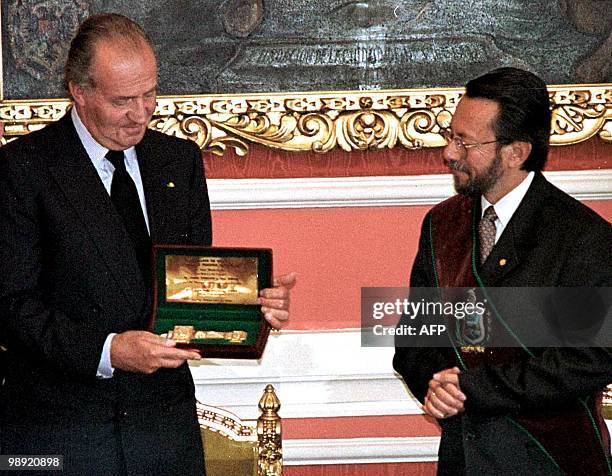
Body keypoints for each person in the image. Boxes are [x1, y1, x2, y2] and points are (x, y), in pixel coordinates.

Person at [0, 13, 295, 476]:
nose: (141, 114)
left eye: (149, 94)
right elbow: (12, 306)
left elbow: (188, 288)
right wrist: (108, 350)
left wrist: (250, 304)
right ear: (79, 91)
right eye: (122, 100)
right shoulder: (22, 169)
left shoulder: (177, 161)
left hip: (163, 435)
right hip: (62, 437)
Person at [393, 67, 612, 475]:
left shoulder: (583, 236)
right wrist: (434, 383)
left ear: (516, 152)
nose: (450, 152)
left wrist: (471, 388)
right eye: (451, 134)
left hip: (549, 458)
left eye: (465, 141)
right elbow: (413, 335)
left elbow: (589, 358)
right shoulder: (441, 225)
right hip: (463, 458)